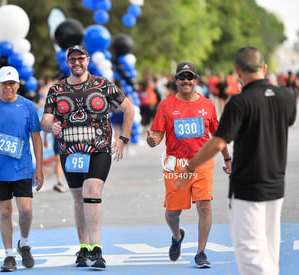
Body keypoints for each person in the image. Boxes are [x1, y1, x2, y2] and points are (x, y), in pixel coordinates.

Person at [173, 47, 296, 275]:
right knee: (270, 249)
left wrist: (190, 167)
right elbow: (282, 125)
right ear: (265, 68)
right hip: (276, 184)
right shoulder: (287, 97)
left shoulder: (239, 102)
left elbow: (218, 142)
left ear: (237, 72)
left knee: (250, 252)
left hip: (247, 187)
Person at [40, 45, 135, 269]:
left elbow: (129, 109)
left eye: (80, 59)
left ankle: (96, 248)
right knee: (77, 198)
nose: (76, 63)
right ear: (67, 62)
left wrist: (123, 139)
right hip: (70, 151)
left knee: (91, 191)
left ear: (88, 60)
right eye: (72, 59)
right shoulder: (57, 90)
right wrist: (50, 125)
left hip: (98, 148)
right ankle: (83, 247)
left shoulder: (102, 85)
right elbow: (44, 120)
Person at [146, 61, 232, 268]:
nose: (186, 81)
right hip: (176, 165)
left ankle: (201, 252)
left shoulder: (207, 106)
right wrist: (152, 141)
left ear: (195, 80)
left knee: (204, 205)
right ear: (176, 80)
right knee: (173, 212)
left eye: (189, 77)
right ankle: (177, 236)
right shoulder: (165, 106)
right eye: (182, 77)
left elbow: (218, 136)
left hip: (202, 163)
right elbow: (157, 136)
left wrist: (228, 159)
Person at [0, 66, 44, 272]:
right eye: (4, 83)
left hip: (22, 168)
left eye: (11, 83)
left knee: (25, 211)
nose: (8, 87)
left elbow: (36, 137)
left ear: (17, 85)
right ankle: (9, 256)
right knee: (5, 212)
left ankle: (23, 244)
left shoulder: (28, 107)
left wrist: (39, 168)